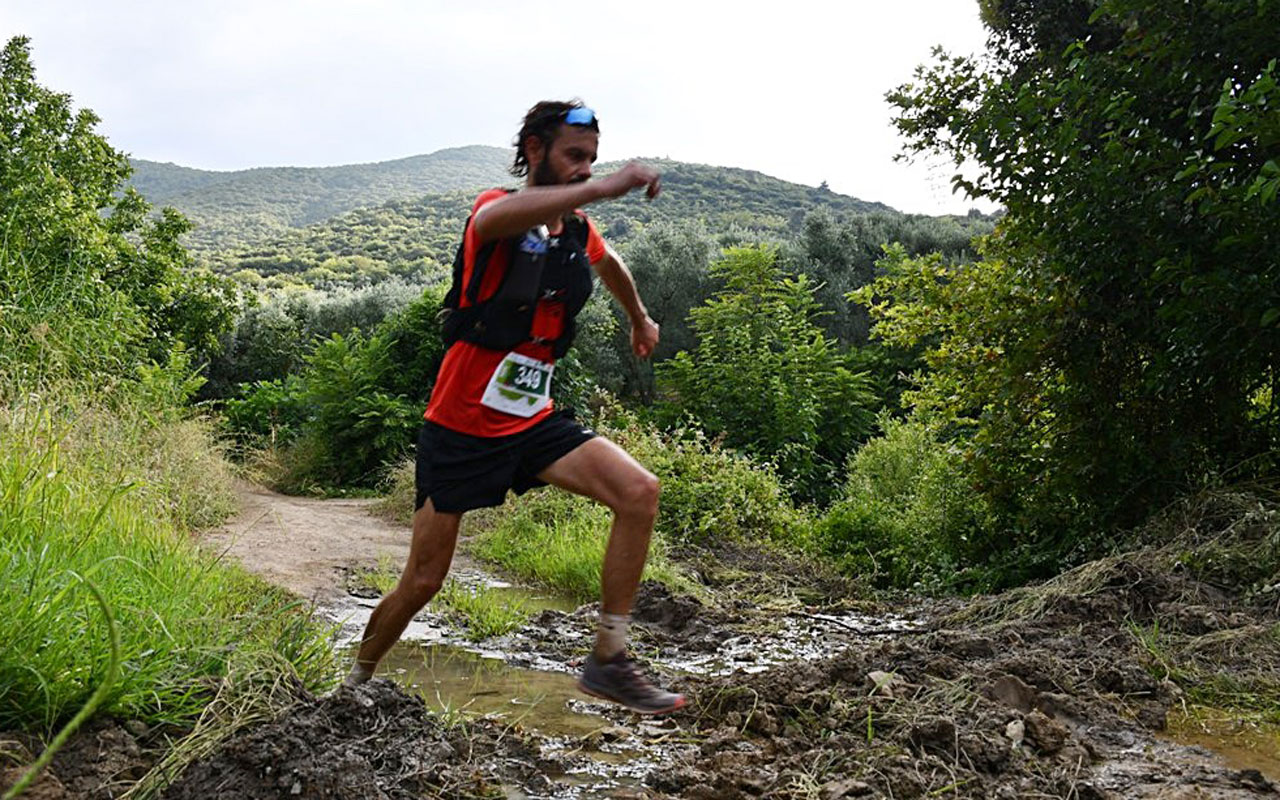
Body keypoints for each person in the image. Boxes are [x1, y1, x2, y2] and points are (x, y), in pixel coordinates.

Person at [343, 100, 685, 715]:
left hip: (533, 419)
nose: (584, 170)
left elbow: (611, 266)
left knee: (639, 491)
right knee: (422, 582)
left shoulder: (577, 229)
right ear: (533, 150)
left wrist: (640, 315)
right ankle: (353, 684)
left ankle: (609, 659)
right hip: (462, 425)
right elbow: (501, 216)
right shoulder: (495, 210)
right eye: (574, 157)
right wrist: (608, 188)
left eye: (593, 160)